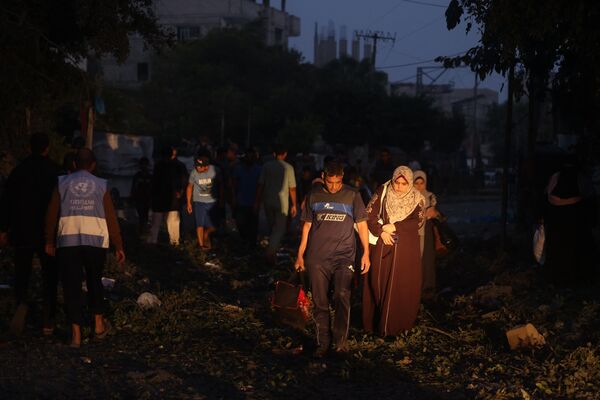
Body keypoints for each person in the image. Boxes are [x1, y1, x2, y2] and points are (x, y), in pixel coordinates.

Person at [45, 148, 125, 348]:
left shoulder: (62, 183)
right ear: (93, 165)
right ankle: (98, 325)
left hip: (67, 243)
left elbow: (51, 215)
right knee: (94, 281)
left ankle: (76, 335)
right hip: (95, 243)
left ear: (74, 164)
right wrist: (118, 245)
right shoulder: (101, 185)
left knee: (71, 286)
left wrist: (49, 240)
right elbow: (111, 218)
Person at [295, 161, 371, 357]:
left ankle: (340, 342)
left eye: (338, 182)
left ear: (342, 177)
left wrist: (366, 253)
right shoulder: (314, 194)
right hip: (317, 257)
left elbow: (362, 226)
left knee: (341, 295)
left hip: (344, 256)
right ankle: (323, 343)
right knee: (320, 302)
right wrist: (300, 256)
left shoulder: (352, 195)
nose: (334, 186)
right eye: (330, 182)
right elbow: (306, 228)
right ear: (323, 177)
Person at [0, 132, 60, 336]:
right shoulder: (55, 172)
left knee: (22, 275)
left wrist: (3, 229)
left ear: (29, 147)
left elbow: (6, 203)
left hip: (22, 231)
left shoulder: (18, 171)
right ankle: (48, 321)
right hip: (47, 234)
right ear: (47, 148)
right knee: (50, 276)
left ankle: (21, 308)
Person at [363, 166, 425, 336]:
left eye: (404, 184)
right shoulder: (383, 190)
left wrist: (396, 226)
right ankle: (376, 325)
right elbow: (369, 213)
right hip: (383, 243)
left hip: (406, 248)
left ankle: (397, 327)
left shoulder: (417, 199)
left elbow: (418, 221)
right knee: (378, 281)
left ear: (410, 184)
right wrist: (381, 231)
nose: (398, 187)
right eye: (396, 183)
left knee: (402, 285)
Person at [542, 161, 596, 286]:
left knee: (558, 251)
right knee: (576, 251)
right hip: (575, 223)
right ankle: (576, 279)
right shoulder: (581, 178)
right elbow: (590, 198)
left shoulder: (555, 177)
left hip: (557, 223)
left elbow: (546, 197)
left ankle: (557, 279)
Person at [254, 144, 297, 263]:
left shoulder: (266, 166)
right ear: (285, 154)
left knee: (273, 228)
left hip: (268, 201)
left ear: (274, 154)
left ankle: (272, 254)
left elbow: (260, 185)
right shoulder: (288, 167)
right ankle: (270, 253)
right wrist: (294, 204)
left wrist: (257, 202)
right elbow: (292, 188)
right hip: (282, 204)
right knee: (279, 230)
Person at [148, 146, 188, 246]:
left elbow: (154, 182)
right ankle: (174, 243)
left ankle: (154, 242)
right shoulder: (178, 165)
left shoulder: (159, 165)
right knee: (172, 222)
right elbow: (184, 180)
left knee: (157, 223)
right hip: (172, 199)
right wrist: (181, 192)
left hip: (161, 199)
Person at [413, 170, 441, 298]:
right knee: (413, 260)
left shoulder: (430, 196)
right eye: (416, 183)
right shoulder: (409, 197)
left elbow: (438, 215)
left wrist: (433, 213)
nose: (419, 186)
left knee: (427, 260)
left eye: (421, 183)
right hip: (412, 233)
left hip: (427, 232)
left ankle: (427, 290)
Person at [186, 155, 222, 250]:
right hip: (199, 202)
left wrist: (221, 198)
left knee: (213, 226)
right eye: (196, 165)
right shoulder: (194, 172)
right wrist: (189, 203)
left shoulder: (215, 170)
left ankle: (206, 234)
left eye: (199, 166)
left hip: (212, 202)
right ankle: (201, 245)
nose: (197, 168)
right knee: (199, 224)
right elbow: (189, 187)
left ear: (206, 166)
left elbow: (221, 184)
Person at [231, 148, 261, 246]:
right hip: (241, 201)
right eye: (248, 157)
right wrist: (234, 198)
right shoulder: (238, 169)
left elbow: (260, 186)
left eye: (252, 157)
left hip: (253, 201)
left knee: (253, 225)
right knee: (240, 223)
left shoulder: (258, 169)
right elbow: (234, 184)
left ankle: (251, 244)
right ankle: (244, 240)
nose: (250, 159)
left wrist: (257, 202)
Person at [130, 157, 152, 233]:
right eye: (143, 164)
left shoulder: (150, 176)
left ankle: (144, 231)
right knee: (140, 216)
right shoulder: (137, 176)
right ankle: (141, 231)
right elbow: (133, 189)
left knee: (145, 216)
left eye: (145, 164)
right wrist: (133, 199)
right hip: (139, 199)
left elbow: (152, 188)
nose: (144, 166)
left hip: (147, 200)